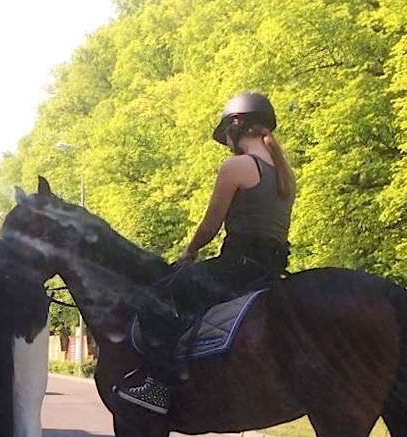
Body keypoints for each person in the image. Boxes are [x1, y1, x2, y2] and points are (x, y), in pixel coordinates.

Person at [116, 91, 296, 415]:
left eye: (227, 135)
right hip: (271, 271)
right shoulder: (285, 174)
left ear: (237, 126)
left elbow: (210, 226)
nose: (227, 143)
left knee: (154, 299)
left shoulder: (238, 166)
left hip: (237, 268)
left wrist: (190, 251)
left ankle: (158, 387)